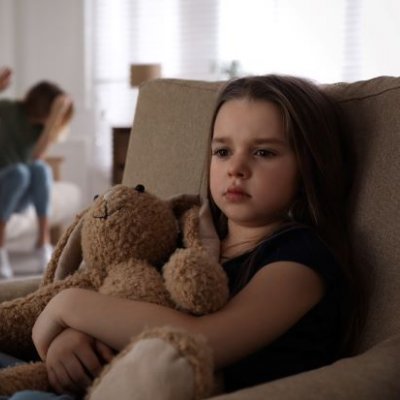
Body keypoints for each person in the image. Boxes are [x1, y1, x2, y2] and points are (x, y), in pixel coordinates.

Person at [3, 74, 358, 399]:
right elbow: (133, 301)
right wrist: (71, 339)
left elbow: (204, 341)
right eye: (222, 151)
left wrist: (67, 307)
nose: (235, 168)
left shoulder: (300, 260)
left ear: (309, 166)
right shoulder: (192, 237)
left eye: (263, 152)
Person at [0, 67, 74, 279]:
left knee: (40, 168)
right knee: (20, 172)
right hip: (4, 184)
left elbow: (38, 155)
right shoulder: (9, 110)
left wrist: (54, 118)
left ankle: (43, 242)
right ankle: (0, 245)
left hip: (18, 197)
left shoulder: (42, 129)